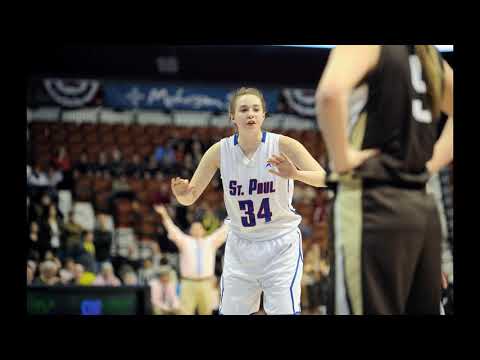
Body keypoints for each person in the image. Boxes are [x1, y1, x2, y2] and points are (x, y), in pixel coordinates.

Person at [315, 45, 453, 314]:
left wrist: (342, 159)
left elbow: (329, 95)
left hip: (373, 206)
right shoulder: (428, 54)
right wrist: (431, 163)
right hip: (421, 207)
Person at [169, 87, 326, 315]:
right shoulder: (218, 151)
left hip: (280, 244)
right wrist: (181, 194)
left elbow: (325, 179)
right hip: (240, 245)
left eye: (256, 109)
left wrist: (296, 174)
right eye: (243, 109)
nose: (250, 114)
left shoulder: (283, 145)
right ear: (232, 116)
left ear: (263, 115)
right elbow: (189, 198)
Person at [154, 204, 227, 315]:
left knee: (206, 312)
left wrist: (233, 214)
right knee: (185, 312)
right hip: (188, 282)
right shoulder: (185, 241)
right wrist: (164, 214)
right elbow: (172, 229)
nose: (197, 230)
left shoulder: (210, 241)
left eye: (199, 228)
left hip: (206, 283)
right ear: (191, 231)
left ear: (203, 231)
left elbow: (224, 230)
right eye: (194, 228)